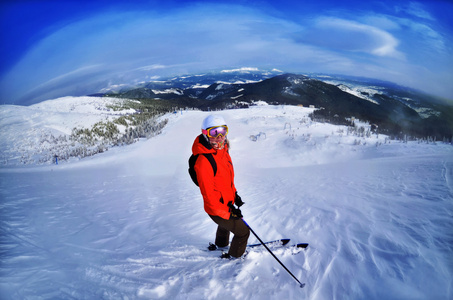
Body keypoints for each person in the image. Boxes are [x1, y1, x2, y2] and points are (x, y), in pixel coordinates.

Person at [191, 114, 250, 258]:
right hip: (216, 207)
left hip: (226, 203)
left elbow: (226, 179)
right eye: (213, 132)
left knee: (225, 225)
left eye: (223, 131)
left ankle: (222, 244)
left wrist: (234, 195)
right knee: (243, 232)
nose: (219, 137)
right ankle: (235, 257)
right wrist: (229, 214)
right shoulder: (204, 161)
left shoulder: (223, 151)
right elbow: (210, 198)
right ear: (205, 134)